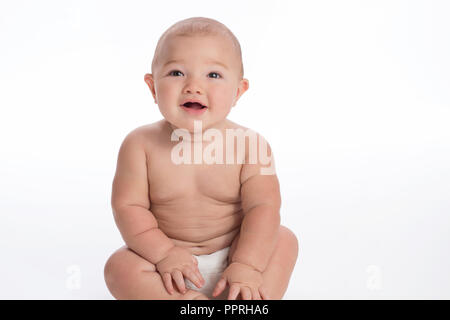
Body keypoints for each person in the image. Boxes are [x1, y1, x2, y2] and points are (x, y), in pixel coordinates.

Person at [104, 17, 298, 300]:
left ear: (238, 91)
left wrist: (247, 264)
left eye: (214, 75)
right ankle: (190, 303)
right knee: (119, 267)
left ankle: (246, 300)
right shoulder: (139, 145)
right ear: (152, 87)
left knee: (283, 239)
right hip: (168, 270)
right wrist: (164, 253)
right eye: (176, 73)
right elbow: (128, 207)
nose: (193, 86)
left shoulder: (251, 145)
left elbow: (263, 208)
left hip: (237, 259)